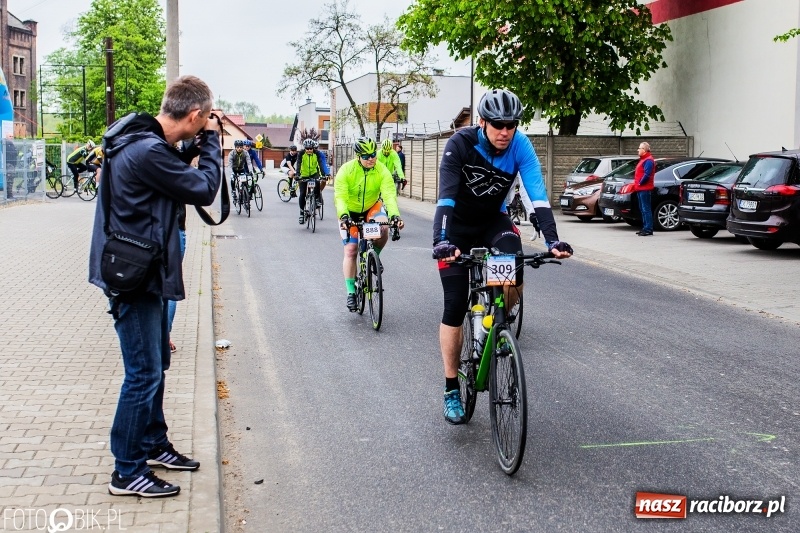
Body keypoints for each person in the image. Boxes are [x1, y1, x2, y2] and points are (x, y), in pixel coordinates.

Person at [88, 75, 222, 498]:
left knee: (154, 364)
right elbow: (203, 188)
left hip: (140, 268)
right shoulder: (146, 149)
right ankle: (126, 471)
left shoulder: (143, 142)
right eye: (205, 122)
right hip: (135, 276)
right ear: (196, 115)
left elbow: (168, 176)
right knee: (143, 374)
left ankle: (152, 444)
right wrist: (213, 148)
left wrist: (190, 149)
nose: (205, 128)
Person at [431, 89, 573, 424]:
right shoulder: (461, 145)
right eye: (497, 124)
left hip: (492, 222)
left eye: (511, 124)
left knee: (515, 264)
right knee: (454, 304)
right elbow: (446, 198)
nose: (505, 131)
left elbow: (536, 194)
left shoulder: (521, 146)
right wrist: (441, 240)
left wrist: (552, 239)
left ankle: (493, 326)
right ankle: (452, 388)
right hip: (456, 228)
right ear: (482, 122)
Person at [335, 136, 405, 310]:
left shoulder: (381, 170)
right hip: (349, 212)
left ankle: (375, 256)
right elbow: (340, 197)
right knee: (351, 250)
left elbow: (389, 194)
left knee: (383, 227)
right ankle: (351, 292)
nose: (371, 158)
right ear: (358, 156)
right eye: (366, 156)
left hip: (371, 208)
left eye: (373, 154)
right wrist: (344, 216)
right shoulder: (346, 170)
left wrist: (395, 215)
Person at [296, 138, 330, 224]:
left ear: (313, 148)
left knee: (318, 183)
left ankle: (316, 199)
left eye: (311, 148)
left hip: (314, 173)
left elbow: (321, 164)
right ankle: (301, 213)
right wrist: (297, 175)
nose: (309, 150)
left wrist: (324, 175)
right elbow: (299, 164)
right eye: (307, 148)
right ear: (304, 148)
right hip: (303, 174)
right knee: (303, 193)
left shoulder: (317, 154)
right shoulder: (301, 154)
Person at [634, 142, 655, 236]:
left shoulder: (648, 160)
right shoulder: (643, 159)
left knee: (646, 209)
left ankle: (648, 228)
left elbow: (647, 174)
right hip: (640, 188)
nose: (638, 150)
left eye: (639, 148)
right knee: (643, 209)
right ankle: (645, 227)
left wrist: (640, 182)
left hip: (644, 188)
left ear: (644, 150)